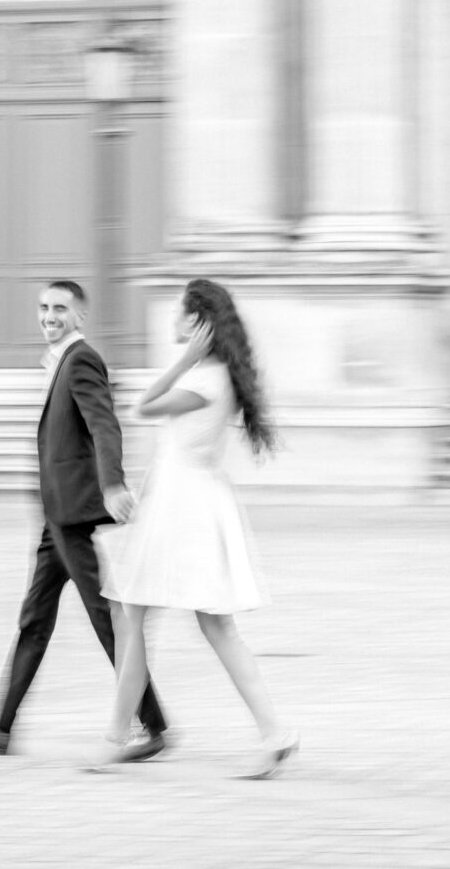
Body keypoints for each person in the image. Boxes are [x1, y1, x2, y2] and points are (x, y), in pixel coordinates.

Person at [0, 280, 168, 759]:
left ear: (80, 316)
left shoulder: (81, 359)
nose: (49, 316)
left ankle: (154, 724)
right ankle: (2, 727)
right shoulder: (59, 363)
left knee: (105, 619)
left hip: (70, 514)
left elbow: (103, 423)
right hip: (56, 516)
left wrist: (113, 483)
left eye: (60, 309)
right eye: (44, 308)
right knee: (35, 619)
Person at [91, 278, 298, 778]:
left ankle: (121, 735)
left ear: (198, 321)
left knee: (149, 616)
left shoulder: (203, 379)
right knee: (181, 620)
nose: (173, 320)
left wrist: (183, 361)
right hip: (187, 501)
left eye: (181, 313)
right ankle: (274, 733)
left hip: (184, 509)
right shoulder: (218, 376)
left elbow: (144, 406)